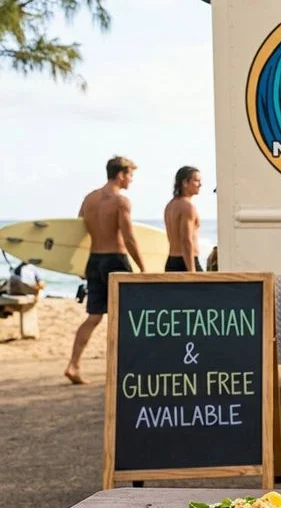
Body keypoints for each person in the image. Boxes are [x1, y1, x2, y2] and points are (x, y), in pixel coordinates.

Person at [64, 156, 145, 385]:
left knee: (94, 316)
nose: (131, 180)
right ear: (120, 174)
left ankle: (73, 365)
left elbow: (78, 232)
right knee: (129, 317)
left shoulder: (89, 199)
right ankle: (127, 368)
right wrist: (142, 267)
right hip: (115, 261)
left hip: (94, 260)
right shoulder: (121, 201)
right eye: (130, 175)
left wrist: (78, 264)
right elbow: (128, 237)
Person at [164, 166, 203, 272]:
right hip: (186, 262)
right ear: (185, 183)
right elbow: (186, 240)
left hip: (171, 261)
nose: (200, 185)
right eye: (196, 181)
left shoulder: (170, 205)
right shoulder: (188, 207)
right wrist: (192, 271)